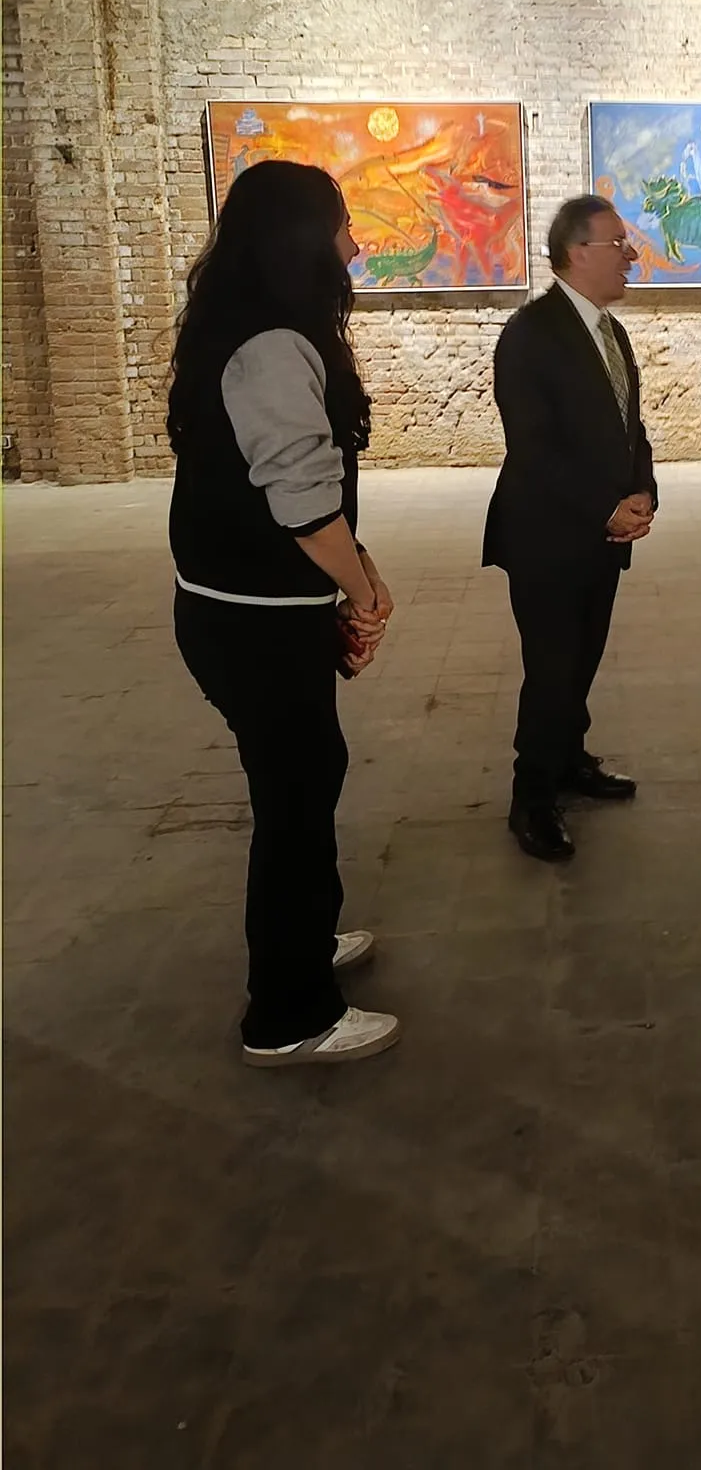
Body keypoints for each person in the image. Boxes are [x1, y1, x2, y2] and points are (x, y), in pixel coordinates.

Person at [168, 160, 399, 1066]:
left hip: (251, 610)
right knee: (295, 797)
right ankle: (289, 1013)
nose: (355, 245)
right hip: (252, 621)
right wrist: (362, 588)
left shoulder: (244, 326)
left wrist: (351, 574)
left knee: (308, 774)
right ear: (303, 240)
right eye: (342, 226)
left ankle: (307, 939)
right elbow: (302, 501)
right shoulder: (270, 345)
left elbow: (305, 493)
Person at [483, 195, 657, 863]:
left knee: (582, 660)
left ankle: (568, 759)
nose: (631, 255)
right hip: (547, 537)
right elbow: (533, 447)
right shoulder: (531, 334)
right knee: (552, 669)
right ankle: (531, 797)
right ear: (578, 252)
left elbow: (630, 428)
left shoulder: (611, 332)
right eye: (618, 243)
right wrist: (603, 506)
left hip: (601, 537)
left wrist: (642, 492)